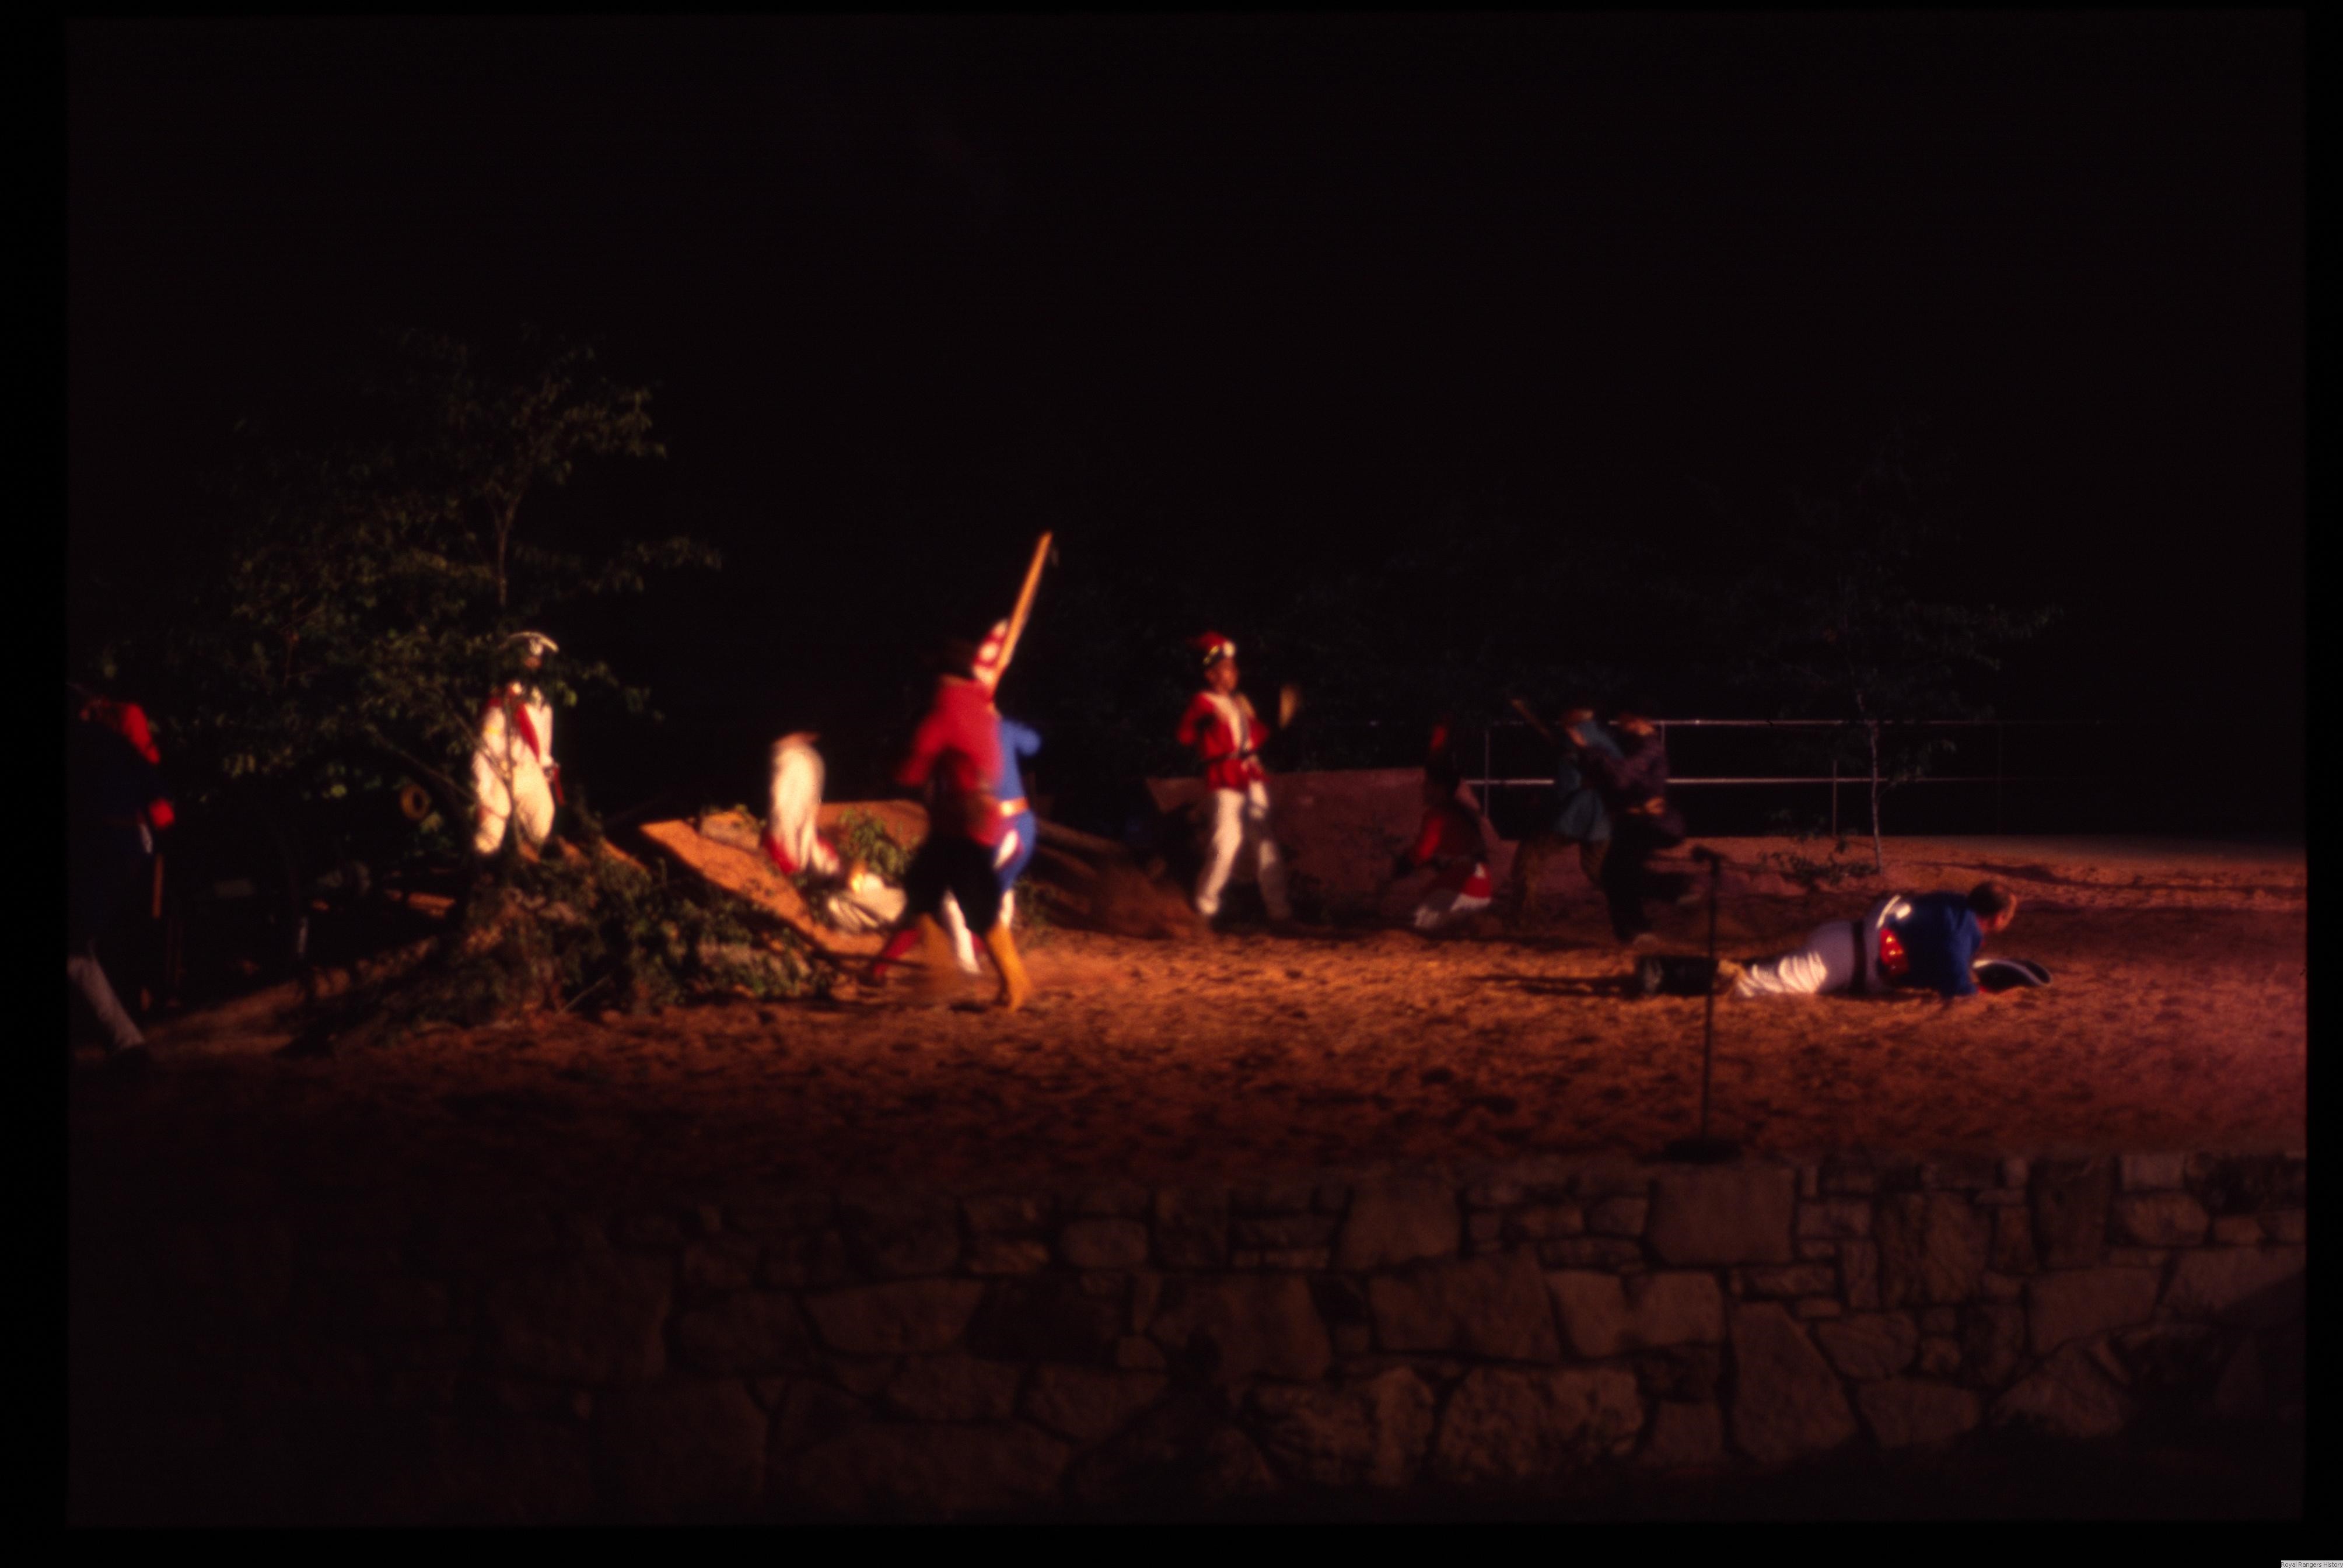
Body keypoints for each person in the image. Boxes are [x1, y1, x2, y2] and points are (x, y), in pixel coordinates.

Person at [884, 636, 1032, 1010]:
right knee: (921, 888)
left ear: (943, 674)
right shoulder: (978, 706)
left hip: (965, 822)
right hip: (961, 821)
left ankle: (1014, 981)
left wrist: (904, 771)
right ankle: (940, 973)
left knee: (977, 904)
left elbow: (920, 756)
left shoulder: (948, 707)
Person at [68, 687, 173, 1066]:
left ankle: (127, 1043)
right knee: (81, 943)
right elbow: (154, 788)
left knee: (75, 947)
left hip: (96, 847)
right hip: (128, 849)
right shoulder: (110, 738)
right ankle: (125, 1041)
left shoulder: (92, 738)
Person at [1722, 881, 2021, 1001]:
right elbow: (1957, 988)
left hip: (1847, 941)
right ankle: (1699, 975)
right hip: (1844, 959)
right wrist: (1984, 989)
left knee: (1761, 971)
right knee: (1747, 987)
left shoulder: (1953, 903)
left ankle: (1723, 968)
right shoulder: (1959, 931)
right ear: (1998, 918)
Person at [1175, 632, 1292, 925]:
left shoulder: (1239, 704)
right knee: (1226, 843)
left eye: (1234, 668)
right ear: (1211, 675)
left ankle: (1280, 912)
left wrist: (1279, 722)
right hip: (1225, 778)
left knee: (1265, 843)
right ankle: (1204, 908)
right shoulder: (1203, 701)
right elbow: (1184, 736)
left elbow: (1258, 738)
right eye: (1226, 668)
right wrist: (1203, 723)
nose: (1233, 673)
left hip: (1251, 777)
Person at [1568, 706, 1697, 945]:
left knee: (1616, 874)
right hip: (1633, 821)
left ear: (1639, 720)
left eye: (1624, 719)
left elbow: (1621, 777)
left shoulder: (1650, 748)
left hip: (1651, 823)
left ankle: (1673, 891)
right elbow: (1612, 775)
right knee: (1614, 874)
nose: (1620, 723)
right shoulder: (1634, 745)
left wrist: (1588, 750)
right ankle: (1639, 928)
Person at [763, 733, 905, 935]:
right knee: (840, 899)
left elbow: (844, 874)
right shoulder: (786, 845)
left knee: (857, 890)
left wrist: (849, 873)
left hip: (832, 881)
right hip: (824, 881)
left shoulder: (805, 843)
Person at [1499, 702, 1620, 926]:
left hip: (1579, 812)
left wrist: (1551, 806)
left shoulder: (1576, 737)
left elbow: (1570, 783)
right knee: (1597, 870)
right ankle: (1641, 896)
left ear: (1576, 713)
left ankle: (1523, 914)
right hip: (1602, 817)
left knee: (1530, 855)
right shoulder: (1603, 736)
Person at [473, 631, 562, 856]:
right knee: (488, 840)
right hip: (502, 773)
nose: (533, 664)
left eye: (537, 660)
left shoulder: (542, 701)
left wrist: (546, 769)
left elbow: (543, 743)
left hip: (531, 772)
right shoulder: (502, 700)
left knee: (543, 828)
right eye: (528, 659)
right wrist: (483, 797)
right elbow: (483, 750)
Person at [1392, 756, 1496, 932]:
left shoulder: (1437, 815)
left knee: (1418, 926)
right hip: (1484, 889)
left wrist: (1403, 865)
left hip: (1459, 887)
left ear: (1439, 788)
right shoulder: (1464, 812)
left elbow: (1422, 852)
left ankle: (1462, 921)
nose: (1423, 789)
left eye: (1428, 784)